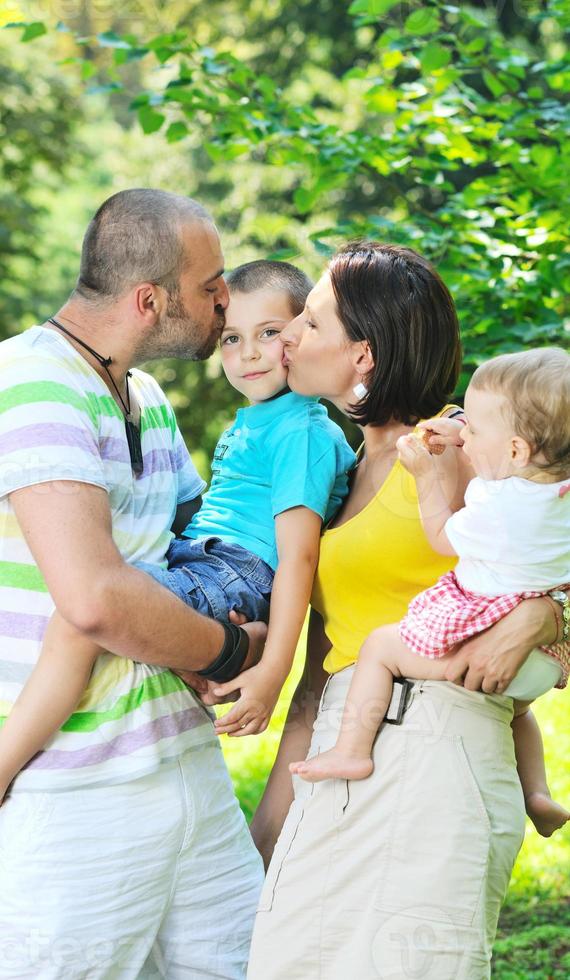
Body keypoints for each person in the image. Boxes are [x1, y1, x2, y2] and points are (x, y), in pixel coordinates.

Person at [244, 242, 570, 980]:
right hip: (346, 743)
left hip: (438, 743)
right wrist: (281, 799)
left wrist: (546, 618)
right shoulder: (342, 467)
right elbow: (330, 655)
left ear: (364, 352)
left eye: (311, 321)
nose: (287, 335)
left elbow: (546, 545)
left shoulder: (455, 446)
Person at [0, 189, 268, 980]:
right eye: (212, 284)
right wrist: (228, 649)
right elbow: (96, 599)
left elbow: (189, 547)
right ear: (150, 300)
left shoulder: (145, 397)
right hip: (76, 791)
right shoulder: (30, 382)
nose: (227, 300)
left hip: (188, 769)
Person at [0, 260, 355, 797]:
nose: (250, 353)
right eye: (232, 338)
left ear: (304, 333)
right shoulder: (265, 420)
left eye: (270, 334)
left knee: (84, 615)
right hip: (207, 561)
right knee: (113, 604)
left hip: (238, 571)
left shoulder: (299, 433)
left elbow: (300, 556)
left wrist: (273, 667)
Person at [289, 347, 570, 838]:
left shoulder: (495, 509)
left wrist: (424, 480)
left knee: (382, 648)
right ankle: (537, 792)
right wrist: (466, 435)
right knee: (520, 711)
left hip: (480, 640)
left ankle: (351, 749)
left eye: (476, 430)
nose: (467, 434)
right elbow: (503, 461)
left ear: (516, 449)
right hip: (544, 659)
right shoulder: (556, 496)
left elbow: (443, 535)